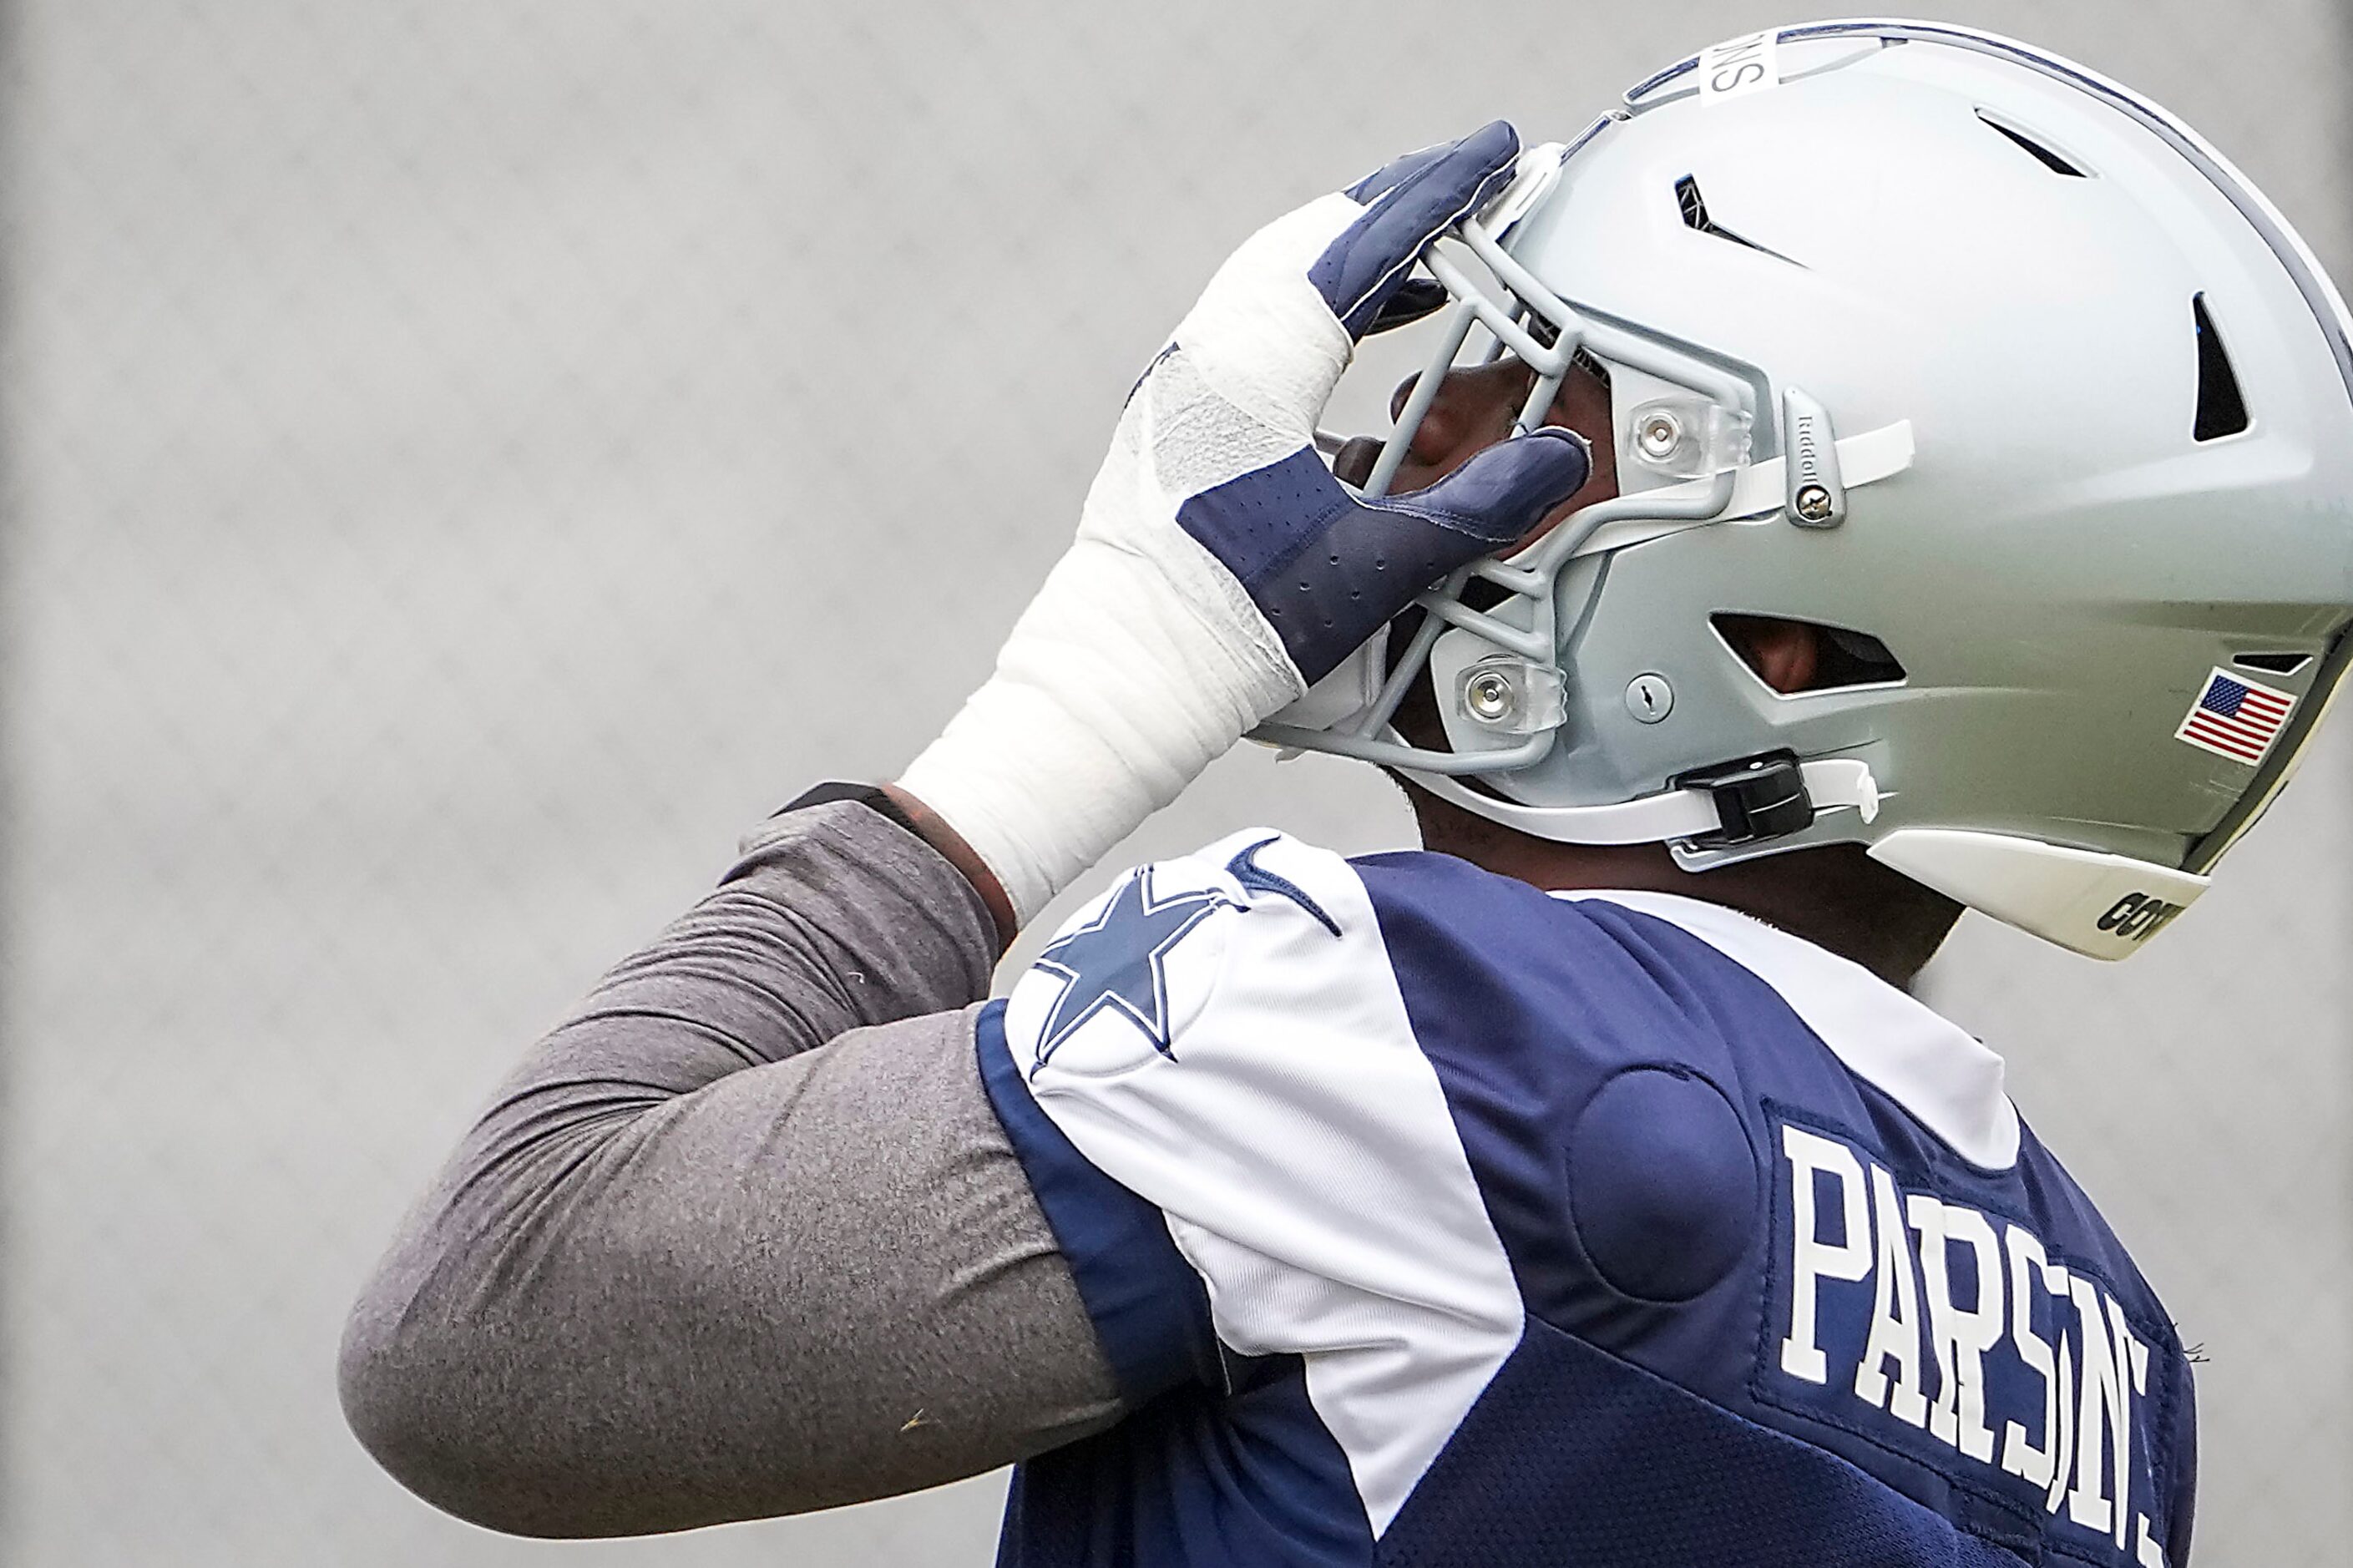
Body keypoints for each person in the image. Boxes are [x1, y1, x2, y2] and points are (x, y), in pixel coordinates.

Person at [341, 22, 2353, 1567]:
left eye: (1535, 394)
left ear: (1787, 633)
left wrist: (1090, 688)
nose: (1405, 441)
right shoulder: (2101, 1357)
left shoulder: (1420, 1033)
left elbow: (490, 1326)